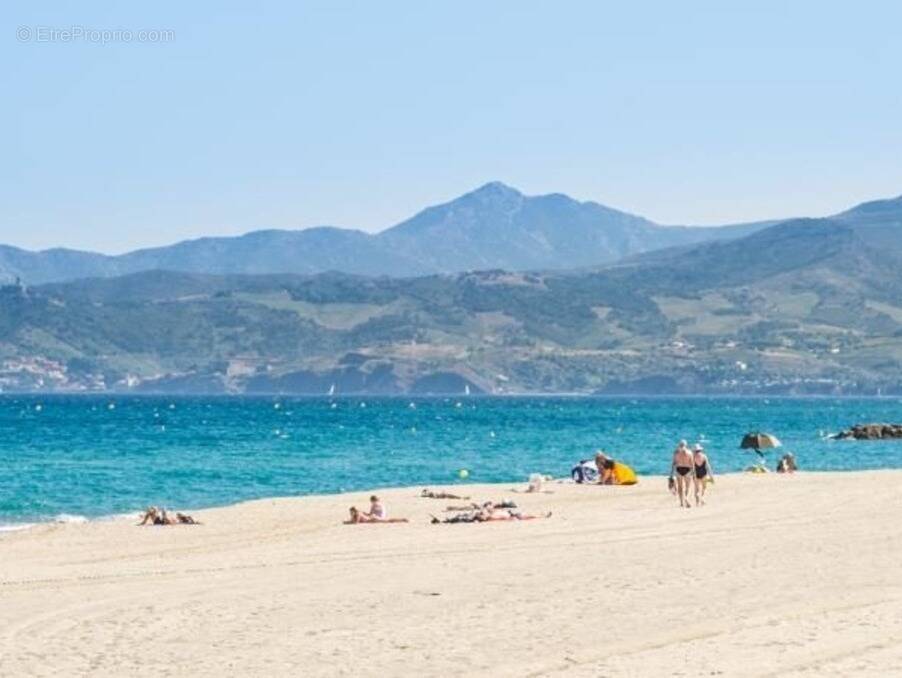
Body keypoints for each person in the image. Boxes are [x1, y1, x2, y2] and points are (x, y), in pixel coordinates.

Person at [670, 440, 694, 508]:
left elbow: (673, 463)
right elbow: (692, 464)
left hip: (679, 469)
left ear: (679, 445)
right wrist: (694, 473)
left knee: (680, 487)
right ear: (686, 445)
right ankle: (686, 497)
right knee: (687, 486)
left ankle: (681, 502)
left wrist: (671, 473)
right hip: (687, 469)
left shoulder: (676, 452)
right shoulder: (689, 452)